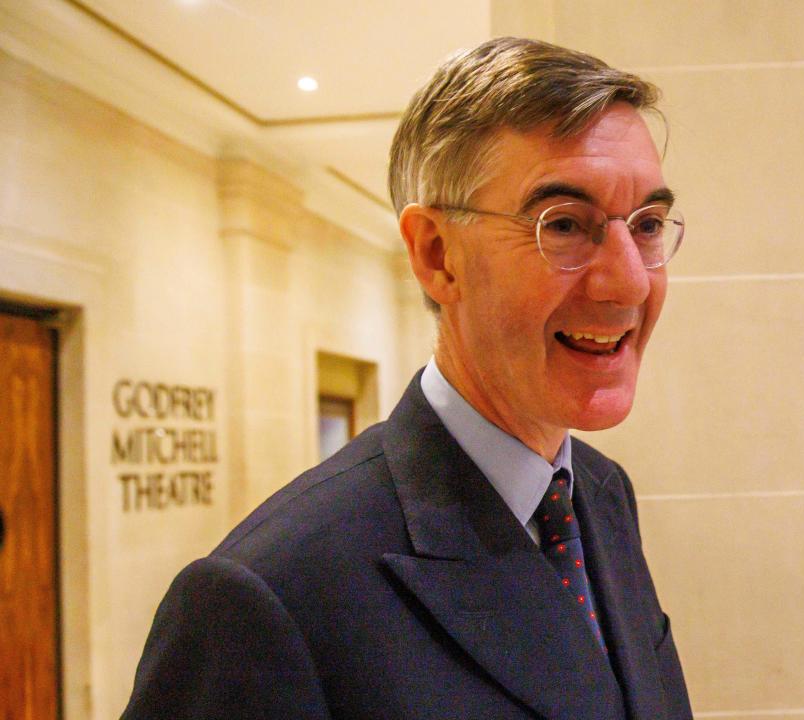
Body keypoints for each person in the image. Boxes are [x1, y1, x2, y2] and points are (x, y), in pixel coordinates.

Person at [122, 37, 692, 720]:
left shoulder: (599, 494)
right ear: (436, 255)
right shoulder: (266, 598)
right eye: (565, 225)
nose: (629, 280)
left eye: (648, 225)